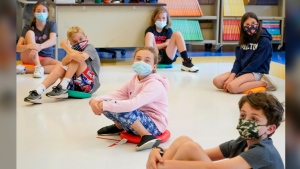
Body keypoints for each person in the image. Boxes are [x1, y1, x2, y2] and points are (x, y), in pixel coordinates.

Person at [146, 92, 284, 169]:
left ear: (270, 128)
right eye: (243, 115)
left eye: (254, 119)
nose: (246, 121)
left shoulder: (263, 152)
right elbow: (195, 153)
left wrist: (163, 165)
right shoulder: (241, 143)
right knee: (186, 143)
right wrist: (158, 152)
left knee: (188, 148)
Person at [89, 46, 169, 151]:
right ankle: (119, 126)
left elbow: (133, 104)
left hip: (154, 126)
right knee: (110, 103)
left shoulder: (155, 84)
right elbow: (118, 94)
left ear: (154, 66)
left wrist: (105, 105)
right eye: (138, 59)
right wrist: (95, 100)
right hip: (139, 118)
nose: (142, 63)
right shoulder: (135, 79)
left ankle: (147, 136)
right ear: (133, 61)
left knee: (121, 106)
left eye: (147, 60)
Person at [24, 26, 100, 103]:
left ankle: (63, 87)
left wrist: (65, 46)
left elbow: (81, 57)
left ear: (86, 37)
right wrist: (70, 55)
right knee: (61, 66)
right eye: (75, 41)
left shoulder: (90, 47)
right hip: (76, 83)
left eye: (81, 39)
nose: (79, 42)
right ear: (71, 43)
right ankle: (38, 91)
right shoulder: (73, 51)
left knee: (76, 58)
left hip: (91, 84)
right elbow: (63, 63)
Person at [213, 12, 277, 94]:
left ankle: (264, 83)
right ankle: (242, 83)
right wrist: (232, 75)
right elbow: (238, 60)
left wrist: (238, 77)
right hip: (243, 70)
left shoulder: (265, 41)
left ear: (258, 23)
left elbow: (256, 63)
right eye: (247, 24)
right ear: (243, 26)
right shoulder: (243, 39)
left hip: (257, 71)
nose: (250, 26)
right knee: (217, 81)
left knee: (232, 87)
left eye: (253, 23)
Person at [144, 7, 199, 72]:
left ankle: (186, 61)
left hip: (168, 56)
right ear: (154, 18)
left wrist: (158, 45)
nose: (161, 20)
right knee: (149, 35)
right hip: (154, 57)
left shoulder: (168, 31)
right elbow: (150, 47)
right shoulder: (150, 30)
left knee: (177, 34)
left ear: (167, 19)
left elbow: (168, 45)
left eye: (163, 18)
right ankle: (147, 63)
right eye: (158, 18)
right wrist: (165, 44)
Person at [16, 1, 60, 78]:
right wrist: (30, 46)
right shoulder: (28, 25)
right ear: (34, 13)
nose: (41, 13)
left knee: (61, 66)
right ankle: (38, 66)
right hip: (29, 56)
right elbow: (18, 48)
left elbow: (53, 41)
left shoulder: (52, 24)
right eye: (38, 11)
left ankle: (25, 70)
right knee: (30, 33)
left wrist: (37, 48)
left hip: (45, 57)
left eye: (44, 11)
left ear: (48, 13)